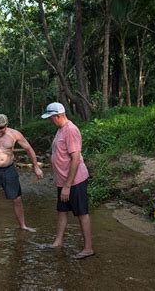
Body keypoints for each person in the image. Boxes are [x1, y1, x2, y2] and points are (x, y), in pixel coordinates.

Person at [0, 114, 44, 235]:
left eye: (2, 128)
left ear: (7, 125)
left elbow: (29, 149)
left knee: (17, 199)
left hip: (9, 169)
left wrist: (36, 167)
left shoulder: (15, 134)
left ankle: (23, 225)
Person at [41, 102, 94, 259]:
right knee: (62, 211)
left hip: (74, 181)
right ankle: (58, 241)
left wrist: (68, 185)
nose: (50, 120)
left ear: (58, 116)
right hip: (63, 181)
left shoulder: (70, 130)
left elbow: (76, 158)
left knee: (81, 213)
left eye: (51, 117)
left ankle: (88, 248)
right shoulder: (61, 130)